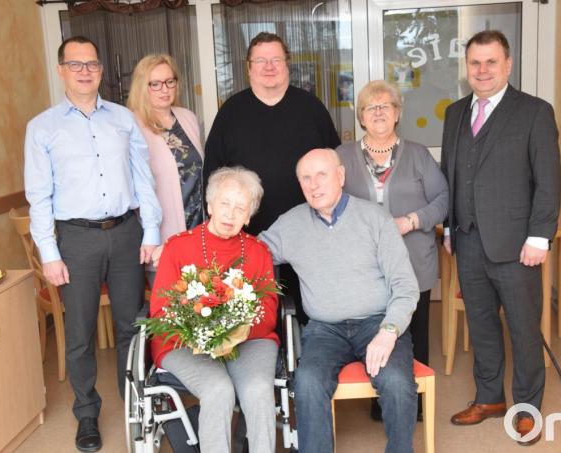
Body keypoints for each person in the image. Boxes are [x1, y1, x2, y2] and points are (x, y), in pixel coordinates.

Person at [24, 35, 162, 452]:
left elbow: (144, 177)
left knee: (131, 327)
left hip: (125, 234)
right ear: (61, 69)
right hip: (76, 239)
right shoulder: (42, 127)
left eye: (92, 64)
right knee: (81, 332)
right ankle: (86, 414)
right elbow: (38, 195)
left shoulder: (123, 119)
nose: (85, 71)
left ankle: (135, 402)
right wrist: (49, 253)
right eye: (76, 64)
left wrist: (151, 231)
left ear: (101, 70)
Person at [440, 30, 561, 446]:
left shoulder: (534, 112)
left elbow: (548, 181)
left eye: (491, 62)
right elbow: (453, 175)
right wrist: (452, 227)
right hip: (469, 241)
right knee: (482, 325)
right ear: (467, 68)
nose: (483, 70)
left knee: (525, 328)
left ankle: (527, 408)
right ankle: (489, 398)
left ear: (507, 65)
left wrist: (540, 237)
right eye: (475, 63)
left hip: (516, 245)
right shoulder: (455, 113)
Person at [259, 148, 419, 453]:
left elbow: (405, 285)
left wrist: (388, 332)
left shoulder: (375, 218)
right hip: (324, 329)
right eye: (306, 178)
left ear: (341, 176)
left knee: (397, 383)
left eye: (322, 174)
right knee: (307, 383)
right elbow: (250, 253)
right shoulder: (291, 224)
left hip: (378, 322)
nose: (314, 184)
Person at [204, 31, 341, 324]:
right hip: (248, 236)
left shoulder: (311, 108)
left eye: (276, 59)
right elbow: (212, 175)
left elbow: (334, 166)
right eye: (261, 60)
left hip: (308, 231)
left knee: (308, 311)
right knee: (254, 313)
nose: (269, 66)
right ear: (249, 67)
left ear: (287, 64)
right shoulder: (230, 112)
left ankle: (305, 361)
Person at [337, 80, 448, 420]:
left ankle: (414, 403)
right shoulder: (341, 157)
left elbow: (443, 201)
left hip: (414, 260)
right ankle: (380, 400)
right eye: (372, 107)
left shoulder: (417, 154)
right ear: (361, 116)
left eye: (387, 105)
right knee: (375, 329)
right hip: (365, 266)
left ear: (398, 113)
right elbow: (327, 202)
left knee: (414, 331)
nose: (380, 112)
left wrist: (412, 220)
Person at [150, 167, 279, 453]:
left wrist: (230, 331)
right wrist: (202, 333)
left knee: (258, 390)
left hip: (249, 340)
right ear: (209, 205)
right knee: (218, 390)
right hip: (183, 342)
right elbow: (161, 309)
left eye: (240, 208)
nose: (230, 214)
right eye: (224, 203)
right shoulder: (178, 247)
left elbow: (268, 312)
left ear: (249, 216)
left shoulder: (258, 252)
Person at [127, 54, 204, 286]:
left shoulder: (187, 118)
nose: (165, 89)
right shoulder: (132, 125)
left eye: (170, 81)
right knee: (171, 309)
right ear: (143, 86)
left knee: (205, 305)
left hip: (198, 228)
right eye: (155, 84)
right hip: (162, 232)